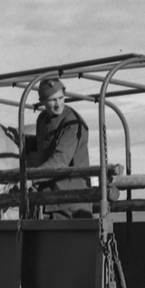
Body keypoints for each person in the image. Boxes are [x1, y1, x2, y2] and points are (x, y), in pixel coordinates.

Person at [29, 78, 93, 219]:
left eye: (61, 98)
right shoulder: (42, 119)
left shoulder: (73, 122)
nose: (58, 104)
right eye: (52, 100)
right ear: (42, 101)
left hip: (70, 203)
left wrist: (31, 178)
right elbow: (42, 144)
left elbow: (59, 161)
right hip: (48, 200)